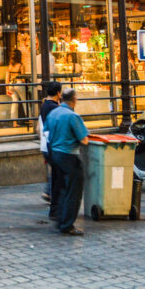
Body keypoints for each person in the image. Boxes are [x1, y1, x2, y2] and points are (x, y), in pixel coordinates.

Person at [46, 88, 89, 236]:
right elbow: (84, 139)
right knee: (73, 192)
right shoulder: (73, 116)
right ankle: (67, 224)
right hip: (69, 155)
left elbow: (46, 132)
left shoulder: (53, 113)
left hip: (54, 154)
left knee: (62, 189)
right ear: (74, 100)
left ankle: (60, 218)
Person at [37, 81, 62, 203]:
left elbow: (38, 128)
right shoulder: (55, 108)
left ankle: (48, 192)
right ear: (58, 93)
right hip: (52, 144)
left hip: (44, 144)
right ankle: (50, 193)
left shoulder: (44, 106)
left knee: (54, 170)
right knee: (58, 171)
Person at [6, 49, 25, 122]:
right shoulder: (20, 65)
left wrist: (7, 89)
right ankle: (31, 120)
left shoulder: (10, 66)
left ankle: (14, 122)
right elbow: (23, 79)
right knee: (25, 101)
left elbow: (7, 79)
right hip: (19, 84)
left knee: (14, 102)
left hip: (11, 84)